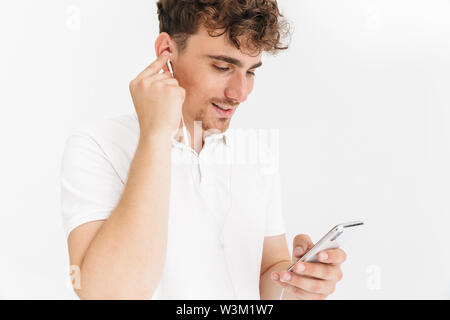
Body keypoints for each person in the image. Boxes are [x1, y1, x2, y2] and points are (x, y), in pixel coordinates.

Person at [60, 0, 346, 300]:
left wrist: (298, 284)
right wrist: (156, 137)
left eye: (250, 72)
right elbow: (109, 295)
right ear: (166, 53)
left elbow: (267, 273)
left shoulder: (257, 155)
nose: (240, 93)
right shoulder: (98, 146)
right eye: (222, 67)